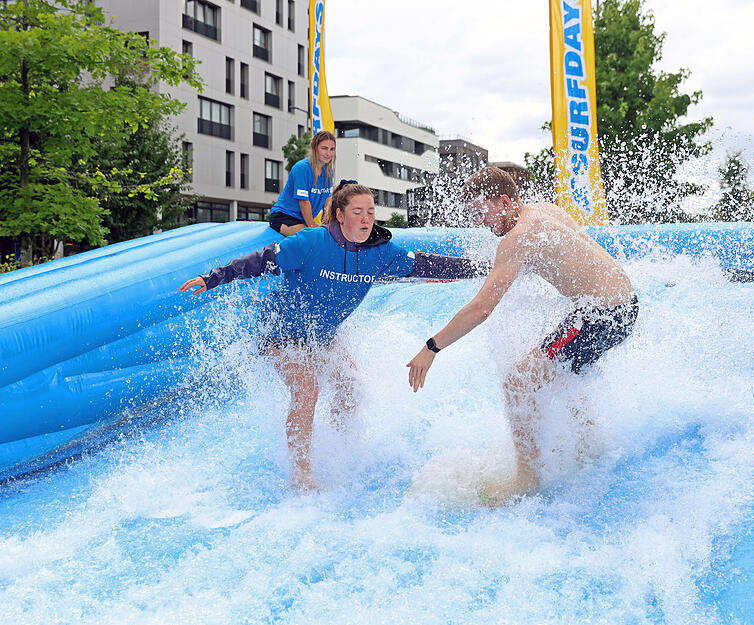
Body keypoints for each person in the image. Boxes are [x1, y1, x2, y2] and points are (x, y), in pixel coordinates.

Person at [181, 182, 487, 491]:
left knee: (351, 387)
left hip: (322, 334)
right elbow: (261, 260)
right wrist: (213, 278)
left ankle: (342, 450)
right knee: (307, 389)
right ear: (340, 215)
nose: (366, 219)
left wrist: (485, 268)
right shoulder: (312, 242)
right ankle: (301, 472)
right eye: (358, 212)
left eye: (370, 211)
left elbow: (425, 264)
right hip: (280, 335)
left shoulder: (381, 252)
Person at [406, 166, 638, 505]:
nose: (481, 223)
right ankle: (591, 443)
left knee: (518, 380)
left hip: (602, 315)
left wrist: (432, 347)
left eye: (482, 212)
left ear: (503, 201)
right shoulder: (544, 211)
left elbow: (481, 309)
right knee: (558, 372)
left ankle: (528, 478)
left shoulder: (519, 237)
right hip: (616, 304)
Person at [269, 130, 336, 237]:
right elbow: (304, 202)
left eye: (332, 149)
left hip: (302, 221)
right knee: (311, 237)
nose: (328, 153)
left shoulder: (328, 172)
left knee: (326, 237)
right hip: (283, 217)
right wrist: (311, 227)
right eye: (324, 148)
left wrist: (329, 226)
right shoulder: (302, 168)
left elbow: (327, 202)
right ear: (315, 148)